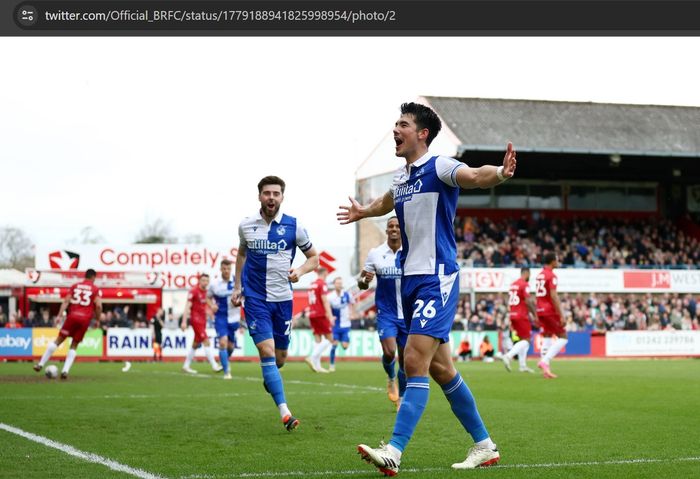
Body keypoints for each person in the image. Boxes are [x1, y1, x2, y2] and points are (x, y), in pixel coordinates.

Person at [338, 102, 516, 474]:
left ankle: (394, 451)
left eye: (402, 124)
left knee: (414, 361)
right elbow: (386, 202)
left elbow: (474, 175)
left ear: (422, 133)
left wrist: (499, 172)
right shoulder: (401, 178)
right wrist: (362, 213)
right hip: (411, 280)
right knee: (442, 370)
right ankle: (485, 445)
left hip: (438, 278)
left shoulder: (440, 166)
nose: (395, 130)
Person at [232, 175, 320, 432]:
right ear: (259, 196)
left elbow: (314, 258)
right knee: (267, 352)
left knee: (280, 359)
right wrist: (237, 286)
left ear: (282, 197)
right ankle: (285, 412)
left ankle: (271, 378)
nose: (271, 198)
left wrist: (300, 271)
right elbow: (241, 254)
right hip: (256, 299)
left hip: (283, 301)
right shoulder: (246, 226)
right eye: (267, 193)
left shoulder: (295, 226)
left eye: (276, 194)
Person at [357, 216, 407, 409]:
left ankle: (401, 399)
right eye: (390, 226)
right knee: (389, 351)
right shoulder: (375, 253)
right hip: (387, 313)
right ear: (386, 231)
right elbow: (362, 284)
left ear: (402, 230)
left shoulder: (410, 253)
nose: (394, 229)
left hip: (408, 313)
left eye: (397, 226)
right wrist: (365, 280)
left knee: (404, 359)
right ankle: (390, 376)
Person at [33, 269, 103, 379]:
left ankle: (40, 364)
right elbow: (98, 305)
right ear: (93, 277)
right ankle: (65, 371)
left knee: (58, 340)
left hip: (72, 316)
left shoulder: (75, 286)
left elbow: (66, 301)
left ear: (85, 276)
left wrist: (59, 316)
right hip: (85, 319)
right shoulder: (95, 289)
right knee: (74, 344)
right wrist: (98, 319)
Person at [180, 274, 223, 374]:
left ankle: (186, 366)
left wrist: (212, 310)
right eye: (203, 280)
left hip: (203, 320)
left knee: (196, 343)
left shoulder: (207, 293)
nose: (205, 282)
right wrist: (183, 321)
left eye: (207, 280)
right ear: (199, 281)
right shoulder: (194, 291)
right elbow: (187, 307)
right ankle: (214, 365)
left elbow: (208, 306)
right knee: (206, 341)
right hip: (196, 320)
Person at [535, 253, 568, 379]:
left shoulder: (539, 275)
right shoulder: (551, 275)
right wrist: (561, 314)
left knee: (547, 336)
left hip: (540, 309)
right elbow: (554, 296)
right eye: (557, 260)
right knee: (563, 337)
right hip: (549, 310)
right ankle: (545, 361)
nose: (558, 262)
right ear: (552, 262)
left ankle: (545, 370)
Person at [208, 258, 241, 380]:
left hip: (234, 318)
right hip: (220, 318)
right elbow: (208, 297)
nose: (226, 271)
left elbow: (244, 297)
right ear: (221, 269)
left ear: (231, 269)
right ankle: (227, 371)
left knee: (231, 347)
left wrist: (240, 302)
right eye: (224, 268)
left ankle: (224, 361)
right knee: (223, 342)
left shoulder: (237, 282)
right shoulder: (215, 284)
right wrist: (212, 305)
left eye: (228, 268)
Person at [501, 268, 538, 373]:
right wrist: (534, 314)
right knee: (526, 340)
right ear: (526, 274)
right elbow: (528, 301)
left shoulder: (513, 285)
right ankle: (508, 356)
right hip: (521, 315)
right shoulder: (524, 284)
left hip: (512, 314)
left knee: (523, 339)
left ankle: (522, 365)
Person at [305, 267, 333, 373]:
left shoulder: (312, 284)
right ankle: (311, 357)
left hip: (312, 314)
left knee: (318, 339)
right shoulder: (322, 284)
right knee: (330, 339)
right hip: (320, 314)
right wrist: (330, 315)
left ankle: (317, 366)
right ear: (324, 273)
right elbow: (325, 301)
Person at [327, 276, 356, 372]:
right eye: (337, 283)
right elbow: (326, 308)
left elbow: (352, 303)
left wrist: (352, 313)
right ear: (334, 285)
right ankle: (331, 365)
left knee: (345, 346)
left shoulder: (347, 295)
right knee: (334, 344)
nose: (339, 285)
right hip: (335, 325)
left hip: (346, 324)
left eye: (340, 283)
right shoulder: (330, 296)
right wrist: (330, 316)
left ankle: (343, 339)